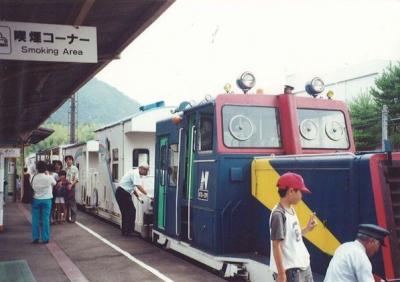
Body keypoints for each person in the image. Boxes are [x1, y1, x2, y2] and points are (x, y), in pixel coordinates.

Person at [269, 172, 317, 282]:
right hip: (292, 271)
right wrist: (281, 275)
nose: (302, 195)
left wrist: (307, 229)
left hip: (303, 266)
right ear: (291, 191)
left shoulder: (290, 209)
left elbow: (292, 236)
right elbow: (276, 245)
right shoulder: (278, 215)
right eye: (300, 191)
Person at [324, 224, 390, 282]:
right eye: (378, 245)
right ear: (371, 241)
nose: (377, 250)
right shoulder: (361, 256)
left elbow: (347, 273)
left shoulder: (344, 247)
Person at [115, 162, 149, 236]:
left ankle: (125, 232)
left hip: (121, 193)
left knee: (126, 212)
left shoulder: (133, 172)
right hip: (123, 193)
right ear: (141, 169)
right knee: (131, 211)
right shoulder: (136, 173)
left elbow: (132, 188)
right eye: (146, 170)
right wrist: (147, 194)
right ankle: (129, 231)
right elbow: (138, 186)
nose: (147, 172)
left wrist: (138, 197)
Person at [31, 161, 56, 244]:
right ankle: (45, 238)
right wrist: (48, 174)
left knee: (35, 219)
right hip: (47, 200)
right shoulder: (48, 177)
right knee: (45, 219)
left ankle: (35, 237)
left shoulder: (33, 177)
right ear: (45, 168)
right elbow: (54, 183)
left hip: (36, 200)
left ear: (37, 168)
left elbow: (32, 186)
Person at [64, 155, 79, 223]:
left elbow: (76, 179)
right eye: (67, 160)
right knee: (66, 202)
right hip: (65, 186)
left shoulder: (75, 168)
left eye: (70, 159)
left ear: (72, 161)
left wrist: (71, 185)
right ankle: (67, 217)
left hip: (72, 186)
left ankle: (73, 218)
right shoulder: (65, 169)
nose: (68, 161)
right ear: (65, 161)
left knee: (72, 202)